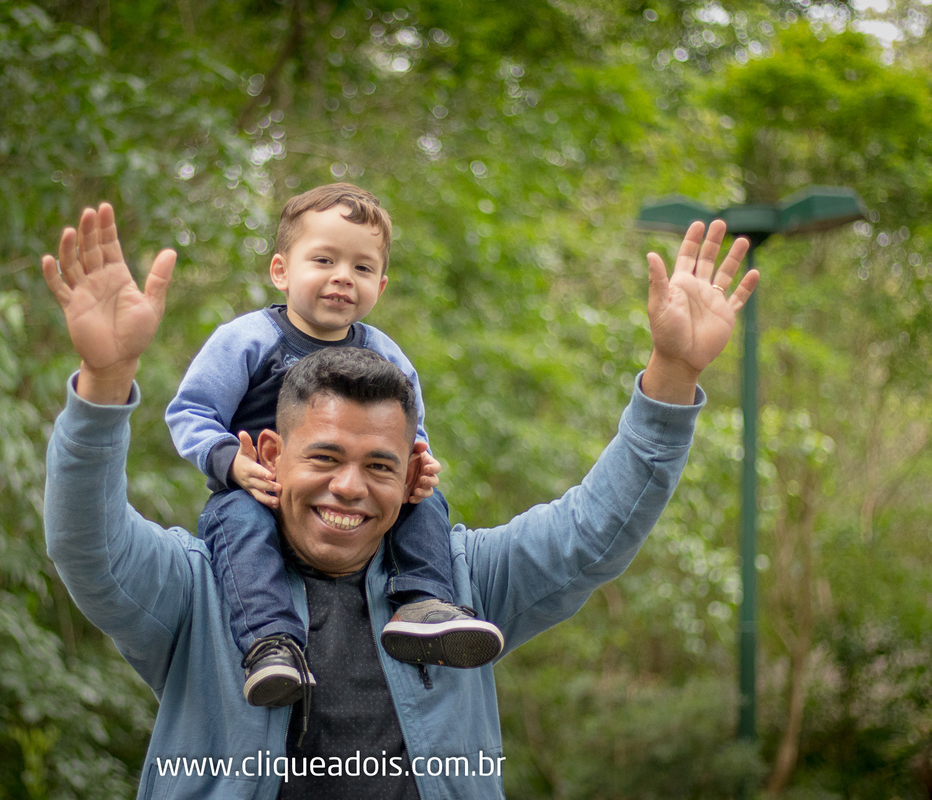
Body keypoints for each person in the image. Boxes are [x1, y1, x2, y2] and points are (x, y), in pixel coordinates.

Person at [40, 202, 757, 799]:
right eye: (324, 458)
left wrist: (673, 372)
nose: (350, 487)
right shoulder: (195, 590)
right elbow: (88, 545)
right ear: (269, 456)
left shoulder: (461, 580)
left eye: (379, 465)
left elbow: (593, 534)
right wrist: (106, 381)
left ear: (411, 466)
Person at [163, 183, 502, 709]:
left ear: (380, 286)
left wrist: (420, 464)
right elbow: (191, 411)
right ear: (281, 270)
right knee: (235, 522)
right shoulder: (249, 339)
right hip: (262, 489)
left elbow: (410, 431)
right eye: (324, 259)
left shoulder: (383, 352)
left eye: (362, 268)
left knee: (426, 503)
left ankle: (424, 603)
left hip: (354, 496)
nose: (343, 276)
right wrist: (231, 463)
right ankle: (271, 644)